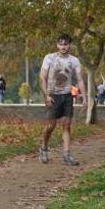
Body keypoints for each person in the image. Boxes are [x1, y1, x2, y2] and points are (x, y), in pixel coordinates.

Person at [38, 33, 87, 166]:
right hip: (53, 95)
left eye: (66, 44)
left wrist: (85, 97)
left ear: (69, 45)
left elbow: (80, 79)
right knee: (51, 125)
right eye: (61, 44)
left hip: (67, 95)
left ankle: (66, 154)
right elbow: (42, 77)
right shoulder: (49, 58)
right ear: (57, 44)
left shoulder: (74, 61)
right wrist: (46, 95)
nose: (63, 46)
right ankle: (43, 148)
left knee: (67, 125)